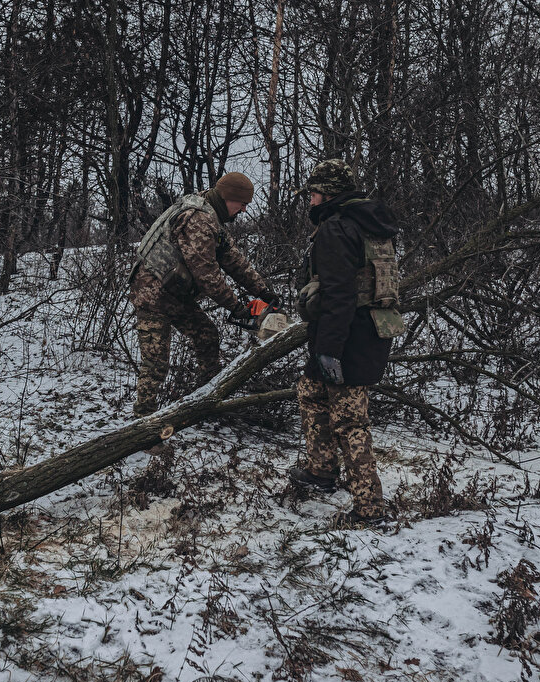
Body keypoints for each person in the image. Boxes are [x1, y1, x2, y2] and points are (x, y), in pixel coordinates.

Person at [289, 159, 404, 527]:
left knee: (350, 422)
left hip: (346, 336)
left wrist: (329, 351)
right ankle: (321, 470)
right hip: (368, 331)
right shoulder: (372, 224)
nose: (310, 200)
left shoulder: (337, 229)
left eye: (313, 193)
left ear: (328, 193)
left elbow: (339, 295)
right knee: (311, 392)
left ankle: (369, 509)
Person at [129, 171, 280, 416]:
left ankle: (205, 400)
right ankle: (142, 422)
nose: (244, 210)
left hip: (175, 293)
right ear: (228, 197)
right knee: (155, 362)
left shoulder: (211, 215)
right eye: (242, 204)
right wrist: (236, 307)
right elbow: (207, 275)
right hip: (151, 294)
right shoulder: (198, 219)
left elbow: (232, 259)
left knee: (207, 336)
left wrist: (263, 290)